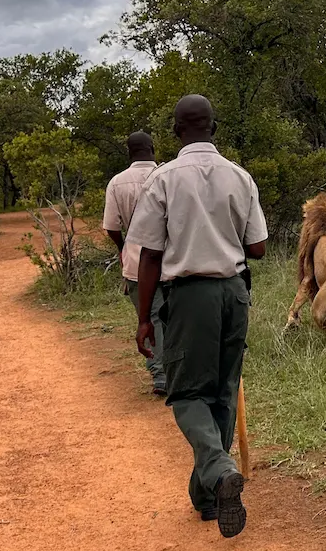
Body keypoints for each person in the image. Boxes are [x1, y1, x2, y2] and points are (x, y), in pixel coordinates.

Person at [125, 95, 267, 538]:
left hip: (189, 296)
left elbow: (149, 254)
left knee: (188, 395)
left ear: (176, 130)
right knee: (222, 394)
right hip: (234, 293)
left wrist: (145, 317)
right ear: (214, 128)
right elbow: (258, 247)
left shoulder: (164, 179)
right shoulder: (240, 177)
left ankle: (220, 469)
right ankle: (208, 496)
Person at [102, 131, 166, 396]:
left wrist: (123, 247)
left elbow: (112, 226)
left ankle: (160, 374)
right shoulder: (167, 175)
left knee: (150, 317)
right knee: (174, 316)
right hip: (170, 258)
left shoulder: (117, 183)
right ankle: (176, 370)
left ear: (128, 153)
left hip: (136, 261)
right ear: (152, 148)